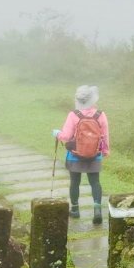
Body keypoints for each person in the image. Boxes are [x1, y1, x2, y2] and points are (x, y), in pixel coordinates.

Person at [53, 85, 110, 224]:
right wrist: (105, 151)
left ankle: (75, 209)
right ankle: (97, 210)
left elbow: (66, 136)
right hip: (95, 154)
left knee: (75, 183)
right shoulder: (100, 115)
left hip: (75, 155)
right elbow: (105, 135)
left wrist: (56, 133)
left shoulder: (73, 115)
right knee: (95, 182)